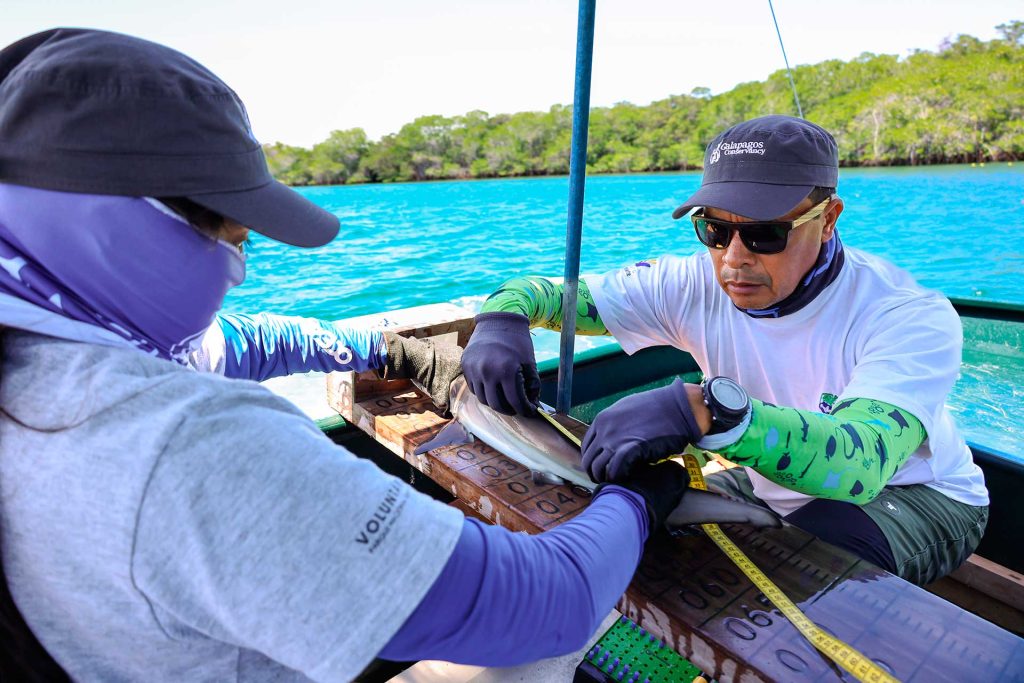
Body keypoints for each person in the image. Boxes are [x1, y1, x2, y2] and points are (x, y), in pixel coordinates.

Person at [0, 29, 692, 681]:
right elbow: (549, 601)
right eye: (231, 234)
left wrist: (391, 349)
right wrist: (633, 501)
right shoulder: (180, 445)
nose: (239, 263)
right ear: (116, 225)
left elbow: (238, 342)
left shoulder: (41, 344)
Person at [463, 115, 990, 586]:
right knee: (636, 545)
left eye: (765, 234)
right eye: (714, 230)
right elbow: (551, 297)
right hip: (771, 485)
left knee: (796, 578)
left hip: (915, 494)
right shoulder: (691, 284)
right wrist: (502, 317)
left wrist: (708, 413)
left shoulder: (905, 313)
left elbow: (861, 463)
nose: (733, 260)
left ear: (828, 218)